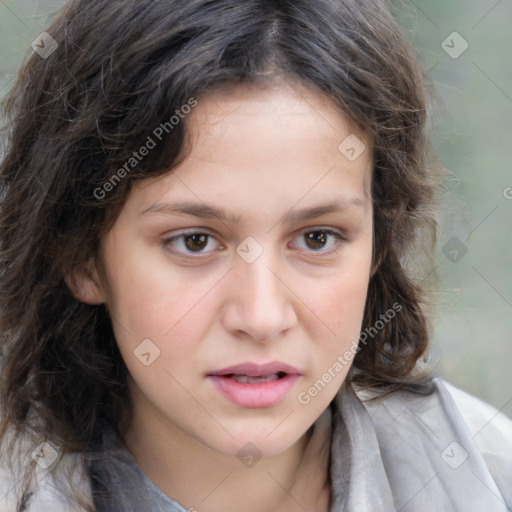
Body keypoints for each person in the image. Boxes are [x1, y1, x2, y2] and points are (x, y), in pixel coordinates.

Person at [0, 0, 510, 511]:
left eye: (317, 238)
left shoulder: (486, 478)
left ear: (380, 239)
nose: (262, 317)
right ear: (81, 254)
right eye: (194, 241)